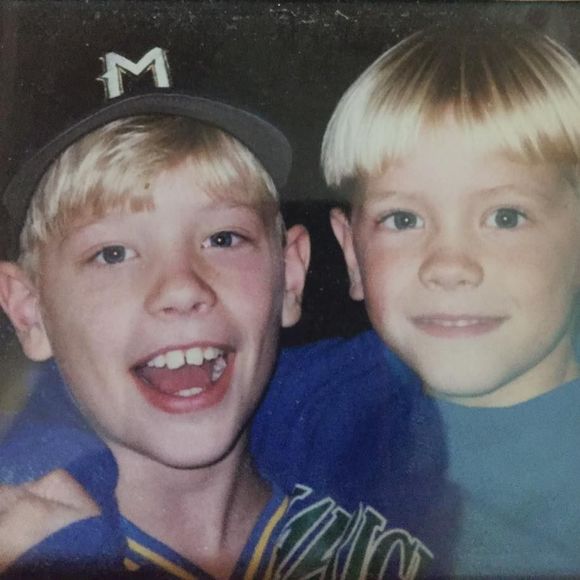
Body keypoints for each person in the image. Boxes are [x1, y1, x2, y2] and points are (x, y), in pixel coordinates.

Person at [312, 21, 580, 577]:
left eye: (506, 217)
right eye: (403, 219)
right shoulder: (312, 392)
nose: (449, 266)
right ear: (352, 254)